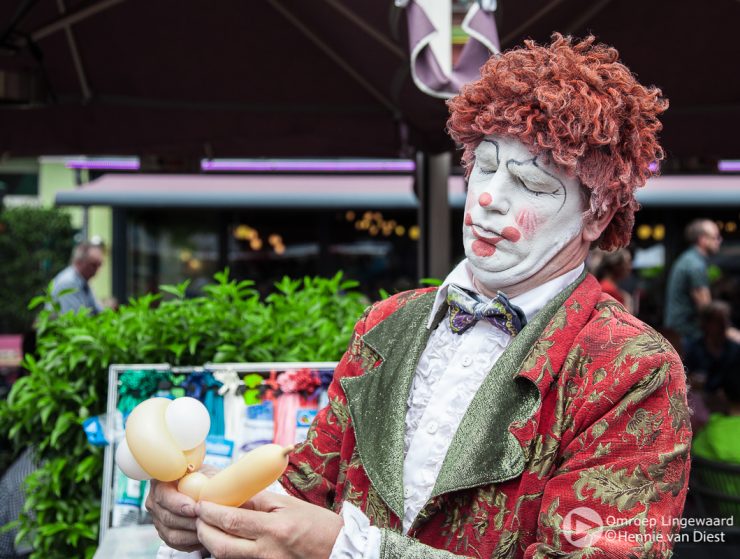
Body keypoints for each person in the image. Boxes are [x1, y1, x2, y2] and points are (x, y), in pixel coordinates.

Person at [147, 34, 691, 558]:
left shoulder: (634, 370)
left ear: (596, 214)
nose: (489, 197)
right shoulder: (385, 322)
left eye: (532, 184)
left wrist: (349, 551)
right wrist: (216, 508)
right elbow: (307, 492)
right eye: (486, 166)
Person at [664, 219, 722, 345]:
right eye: (716, 237)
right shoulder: (695, 265)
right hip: (687, 334)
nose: (719, 241)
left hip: (678, 331)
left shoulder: (689, 259)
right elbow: (706, 309)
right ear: (703, 239)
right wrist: (727, 331)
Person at [49, 240, 105, 315]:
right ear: (79, 262)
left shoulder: (83, 281)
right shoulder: (68, 282)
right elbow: (75, 319)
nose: (97, 270)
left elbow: (99, 311)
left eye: (100, 265)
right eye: (93, 265)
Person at [594, 248, 634, 314]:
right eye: (628, 262)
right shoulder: (607, 289)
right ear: (616, 266)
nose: (630, 267)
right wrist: (627, 301)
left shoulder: (609, 287)